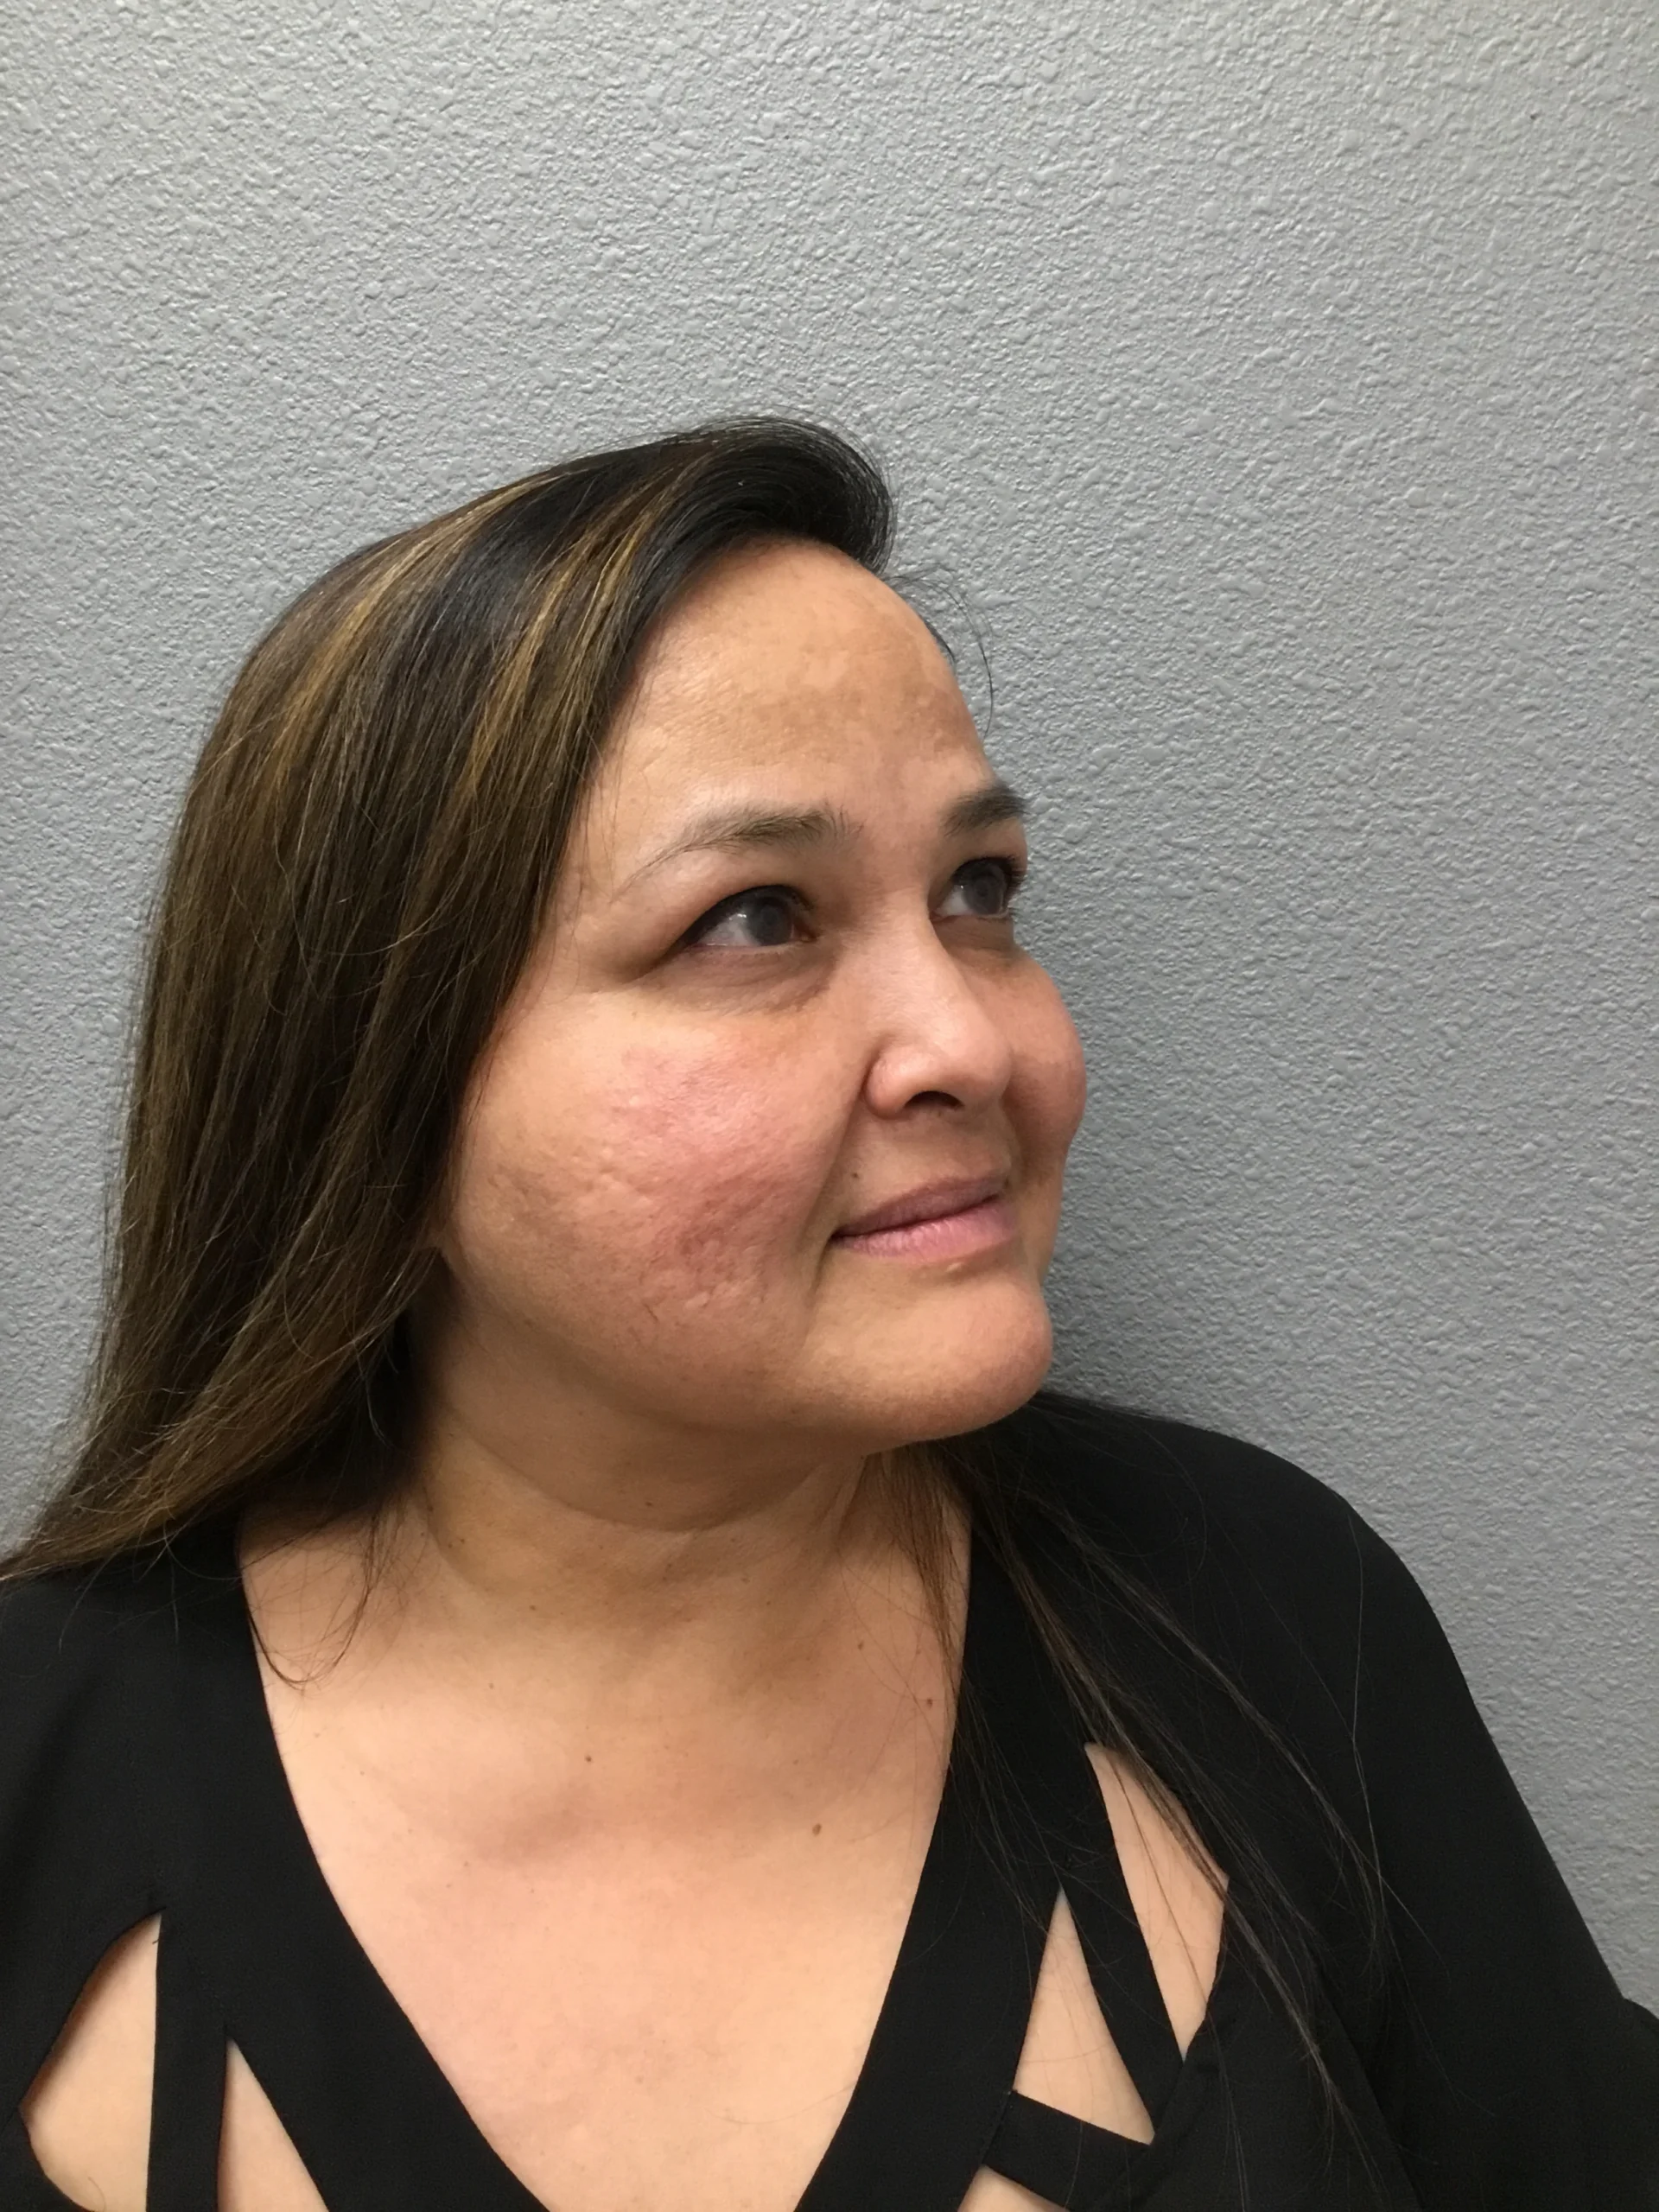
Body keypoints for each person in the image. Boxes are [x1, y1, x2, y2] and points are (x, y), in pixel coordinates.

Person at [0, 420, 1653, 2212]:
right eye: (755, 919)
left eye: (979, 891)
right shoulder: (40, 1757)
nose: (971, 1042)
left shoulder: (1266, 1618)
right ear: (363, 1099)